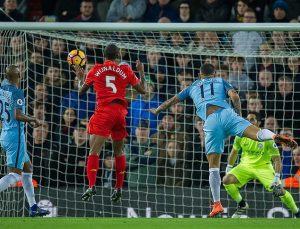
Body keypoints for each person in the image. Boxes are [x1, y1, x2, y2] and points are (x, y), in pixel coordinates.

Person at [148, 63, 297, 217]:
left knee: (213, 167)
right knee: (258, 133)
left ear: (200, 75)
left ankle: (217, 204)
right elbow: (235, 97)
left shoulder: (193, 86)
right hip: (227, 114)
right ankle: (274, 136)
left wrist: (158, 109)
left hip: (211, 121)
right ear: (214, 74)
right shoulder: (220, 81)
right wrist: (238, 114)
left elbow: (172, 100)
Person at [73, 43, 146, 202]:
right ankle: (118, 187)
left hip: (104, 112)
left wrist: (81, 79)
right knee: (119, 152)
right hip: (120, 113)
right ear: (118, 55)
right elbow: (143, 90)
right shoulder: (125, 69)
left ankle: (92, 186)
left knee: (94, 151)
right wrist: (141, 72)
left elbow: (81, 92)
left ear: (103, 55)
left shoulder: (95, 69)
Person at [223, 112, 300, 218]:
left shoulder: (266, 136)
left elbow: (277, 160)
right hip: (245, 166)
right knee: (226, 180)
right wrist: (229, 168)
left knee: (279, 190)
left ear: (258, 122)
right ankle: (242, 205)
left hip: (263, 167)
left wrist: (277, 178)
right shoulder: (240, 135)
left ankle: (296, 212)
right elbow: (234, 152)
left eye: (252, 119)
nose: (249, 122)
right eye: (247, 119)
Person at [0, 65, 50, 217]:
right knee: (14, 175)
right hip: (15, 137)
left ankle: (33, 207)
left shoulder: (2, 89)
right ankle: (33, 207)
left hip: (6, 134)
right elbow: (18, 115)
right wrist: (33, 118)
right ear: (19, 76)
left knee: (28, 169)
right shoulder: (17, 92)